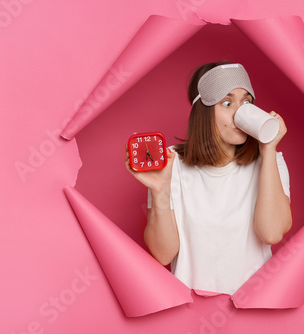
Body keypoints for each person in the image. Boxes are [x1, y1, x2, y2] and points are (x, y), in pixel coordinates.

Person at [125, 62, 292, 295]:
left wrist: (268, 149)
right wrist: (160, 190)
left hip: (252, 310)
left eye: (246, 102)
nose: (241, 112)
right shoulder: (172, 163)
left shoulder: (271, 161)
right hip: (190, 313)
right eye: (227, 102)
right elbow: (163, 254)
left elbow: (271, 233)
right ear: (203, 111)